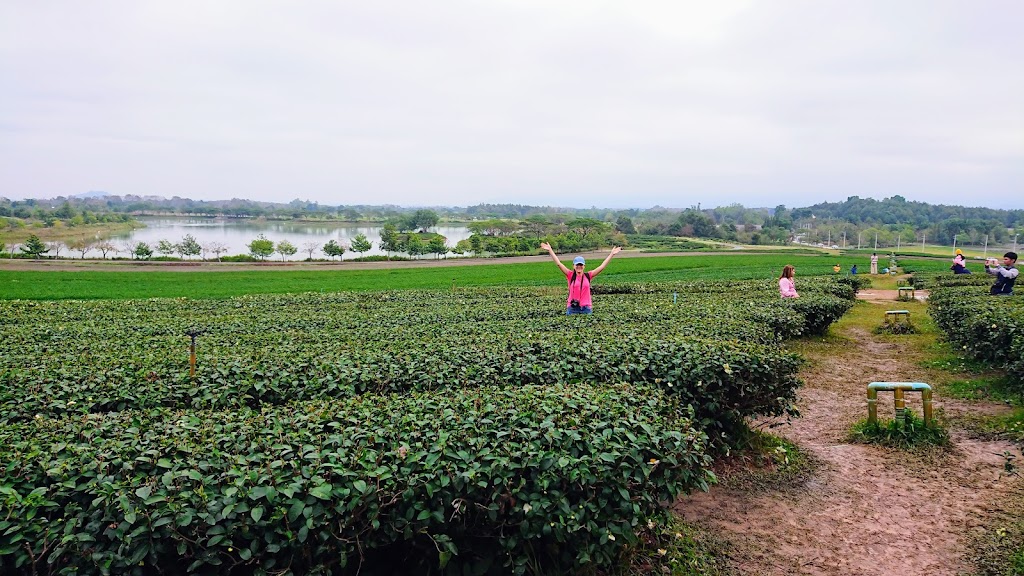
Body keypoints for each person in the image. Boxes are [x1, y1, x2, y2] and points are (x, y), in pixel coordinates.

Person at [540, 242, 622, 314]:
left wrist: (612, 254)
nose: (579, 267)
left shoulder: (588, 275)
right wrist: (550, 250)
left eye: (581, 265)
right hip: (572, 308)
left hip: (586, 308)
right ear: (574, 266)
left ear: (584, 266)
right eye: (577, 265)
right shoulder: (570, 275)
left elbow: (602, 267)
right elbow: (559, 263)